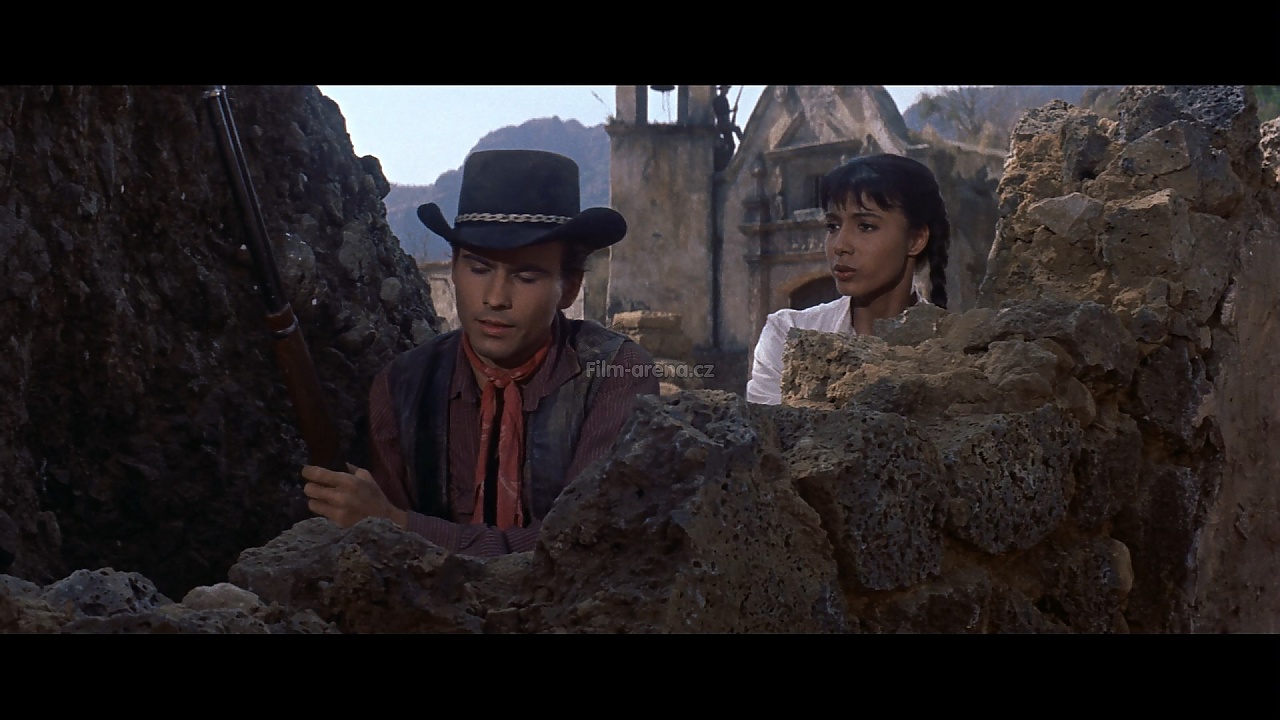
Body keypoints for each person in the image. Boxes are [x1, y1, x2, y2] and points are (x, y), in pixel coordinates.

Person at [301, 149, 660, 555]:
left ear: (569, 287)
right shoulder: (403, 386)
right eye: (479, 269)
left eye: (526, 277)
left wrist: (397, 524)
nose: (495, 298)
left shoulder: (614, 373)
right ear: (453, 269)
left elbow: (579, 542)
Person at [745, 153, 950, 405]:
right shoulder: (786, 334)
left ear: (916, 240)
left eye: (866, 226)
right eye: (833, 226)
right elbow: (765, 425)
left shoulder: (953, 349)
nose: (840, 245)